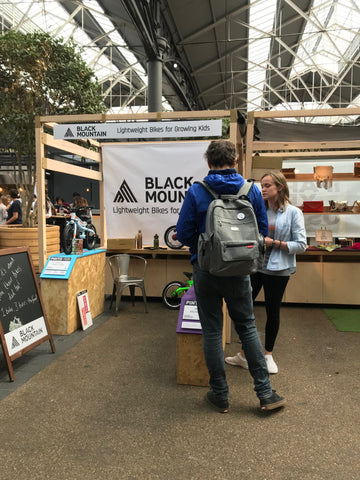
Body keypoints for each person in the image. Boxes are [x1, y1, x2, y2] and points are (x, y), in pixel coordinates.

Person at [176, 140, 285, 413]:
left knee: (212, 330)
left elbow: (184, 233)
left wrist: (201, 247)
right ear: (235, 161)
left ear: (209, 162)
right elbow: (260, 231)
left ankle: (220, 395)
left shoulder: (197, 191)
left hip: (206, 269)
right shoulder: (251, 190)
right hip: (240, 271)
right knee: (247, 327)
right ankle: (265, 393)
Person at [225, 171, 307, 374]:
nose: (263, 189)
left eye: (267, 186)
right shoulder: (257, 209)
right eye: (262, 185)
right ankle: (244, 354)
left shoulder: (293, 213)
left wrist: (275, 243)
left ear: (279, 187)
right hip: (255, 266)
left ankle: (268, 354)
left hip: (278, 269)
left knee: (272, 311)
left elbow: (302, 245)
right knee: (243, 308)